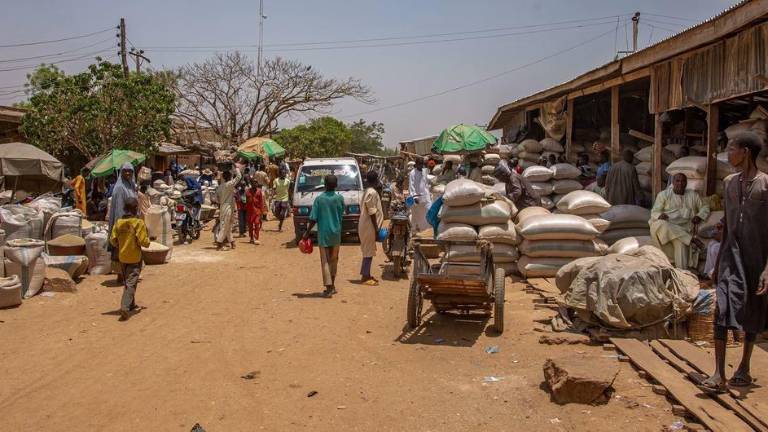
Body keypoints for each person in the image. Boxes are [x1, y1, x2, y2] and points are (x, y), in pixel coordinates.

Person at [699, 131, 768, 394]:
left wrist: (767, 270)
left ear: (746, 152)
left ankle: (744, 367)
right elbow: (727, 222)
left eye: (732, 149)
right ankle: (718, 372)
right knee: (722, 310)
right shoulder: (728, 182)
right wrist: (717, 263)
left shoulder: (765, 184)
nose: (729, 154)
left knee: (753, 310)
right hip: (731, 256)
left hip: (756, 258)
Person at [649, 173, 710, 270]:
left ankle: (682, 275)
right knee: (661, 224)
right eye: (677, 181)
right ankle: (692, 239)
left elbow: (705, 207)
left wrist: (699, 216)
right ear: (673, 182)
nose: (680, 184)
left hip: (682, 230)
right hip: (664, 230)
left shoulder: (693, 195)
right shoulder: (664, 195)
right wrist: (660, 215)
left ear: (686, 183)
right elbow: (654, 212)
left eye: (683, 181)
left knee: (681, 243)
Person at [303, 175, 345, 297]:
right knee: (334, 260)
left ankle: (329, 288)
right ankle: (333, 285)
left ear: (324, 185)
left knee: (325, 261)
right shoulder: (340, 198)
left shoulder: (319, 200)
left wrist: (307, 233)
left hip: (324, 234)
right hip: (336, 233)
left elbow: (313, 218)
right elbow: (342, 212)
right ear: (336, 185)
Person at [109, 196, 150, 321]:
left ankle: (131, 304)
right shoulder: (138, 223)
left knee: (128, 282)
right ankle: (125, 307)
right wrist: (148, 242)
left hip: (122, 257)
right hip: (134, 257)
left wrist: (121, 245)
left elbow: (112, 240)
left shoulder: (119, 223)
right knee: (131, 283)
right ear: (136, 208)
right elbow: (143, 241)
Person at [108, 163, 138, 281]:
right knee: (122, 247)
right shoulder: (120, 188)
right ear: (121, 172)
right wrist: (122, 225)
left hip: (131, 222)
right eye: (125, 171)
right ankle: (121, 274)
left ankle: (127, 273)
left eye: (130, 171)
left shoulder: (130, 185)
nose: (128, 173)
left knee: (129, 248)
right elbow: (119, 209)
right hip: (123, 223)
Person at [358, 171, 384, 285]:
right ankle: (365, 276)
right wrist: (376, 228)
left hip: (366, 225)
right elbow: (372, 211)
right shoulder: (372, 192)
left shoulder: (368, 191)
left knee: (368, 250)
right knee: (368, 251)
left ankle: (366, 273)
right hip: (369, 226)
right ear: (377, 179)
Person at [215, 167, 242, 250]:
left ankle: (232, 242)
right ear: (230, 177)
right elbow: (239, 177)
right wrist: (236, 168)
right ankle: (219, 243)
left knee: (228, 226)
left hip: (223, 207)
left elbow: (217, 200)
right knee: (225, 225)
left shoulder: (220, 187)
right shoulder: (229, 184)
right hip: (228, 207)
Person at [408, 158, 432, 233]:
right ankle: (415, 231)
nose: (421, 166)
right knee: (416, 215)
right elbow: (411, 186)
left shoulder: (424, 171)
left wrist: (428, 193)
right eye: (420, 164)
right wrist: (415, 197)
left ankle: (425, 231)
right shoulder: (412, 173)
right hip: (417, 198)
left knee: (427, 212)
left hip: (425, 196)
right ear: (416, 164)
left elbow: (425, 183)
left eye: (422, 164)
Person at [245, 179, 264, 245]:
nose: (255, 184)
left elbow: (261, 202)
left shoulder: (259, 191)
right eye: (253, 183)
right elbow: (246, 202)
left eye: (256, 183)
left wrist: (261, 212)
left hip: (257, 211)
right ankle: (251, 238)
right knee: (250, 226)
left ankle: (256, 238)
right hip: (250, 211)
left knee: (256, 223)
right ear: (251, 183)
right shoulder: (247, 192)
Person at [273, 168, 291, 232]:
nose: (284, 174)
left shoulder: (288, 181)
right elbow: (274, 188)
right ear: (279, 174)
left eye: (284, 173)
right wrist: (274, 192)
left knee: (282, 213)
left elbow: (288, 189)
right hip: (277, 198)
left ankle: (280, 225)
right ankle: (280, 221)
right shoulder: (276, 180)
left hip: (285, 198)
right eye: (282, 173)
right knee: (276, 212)